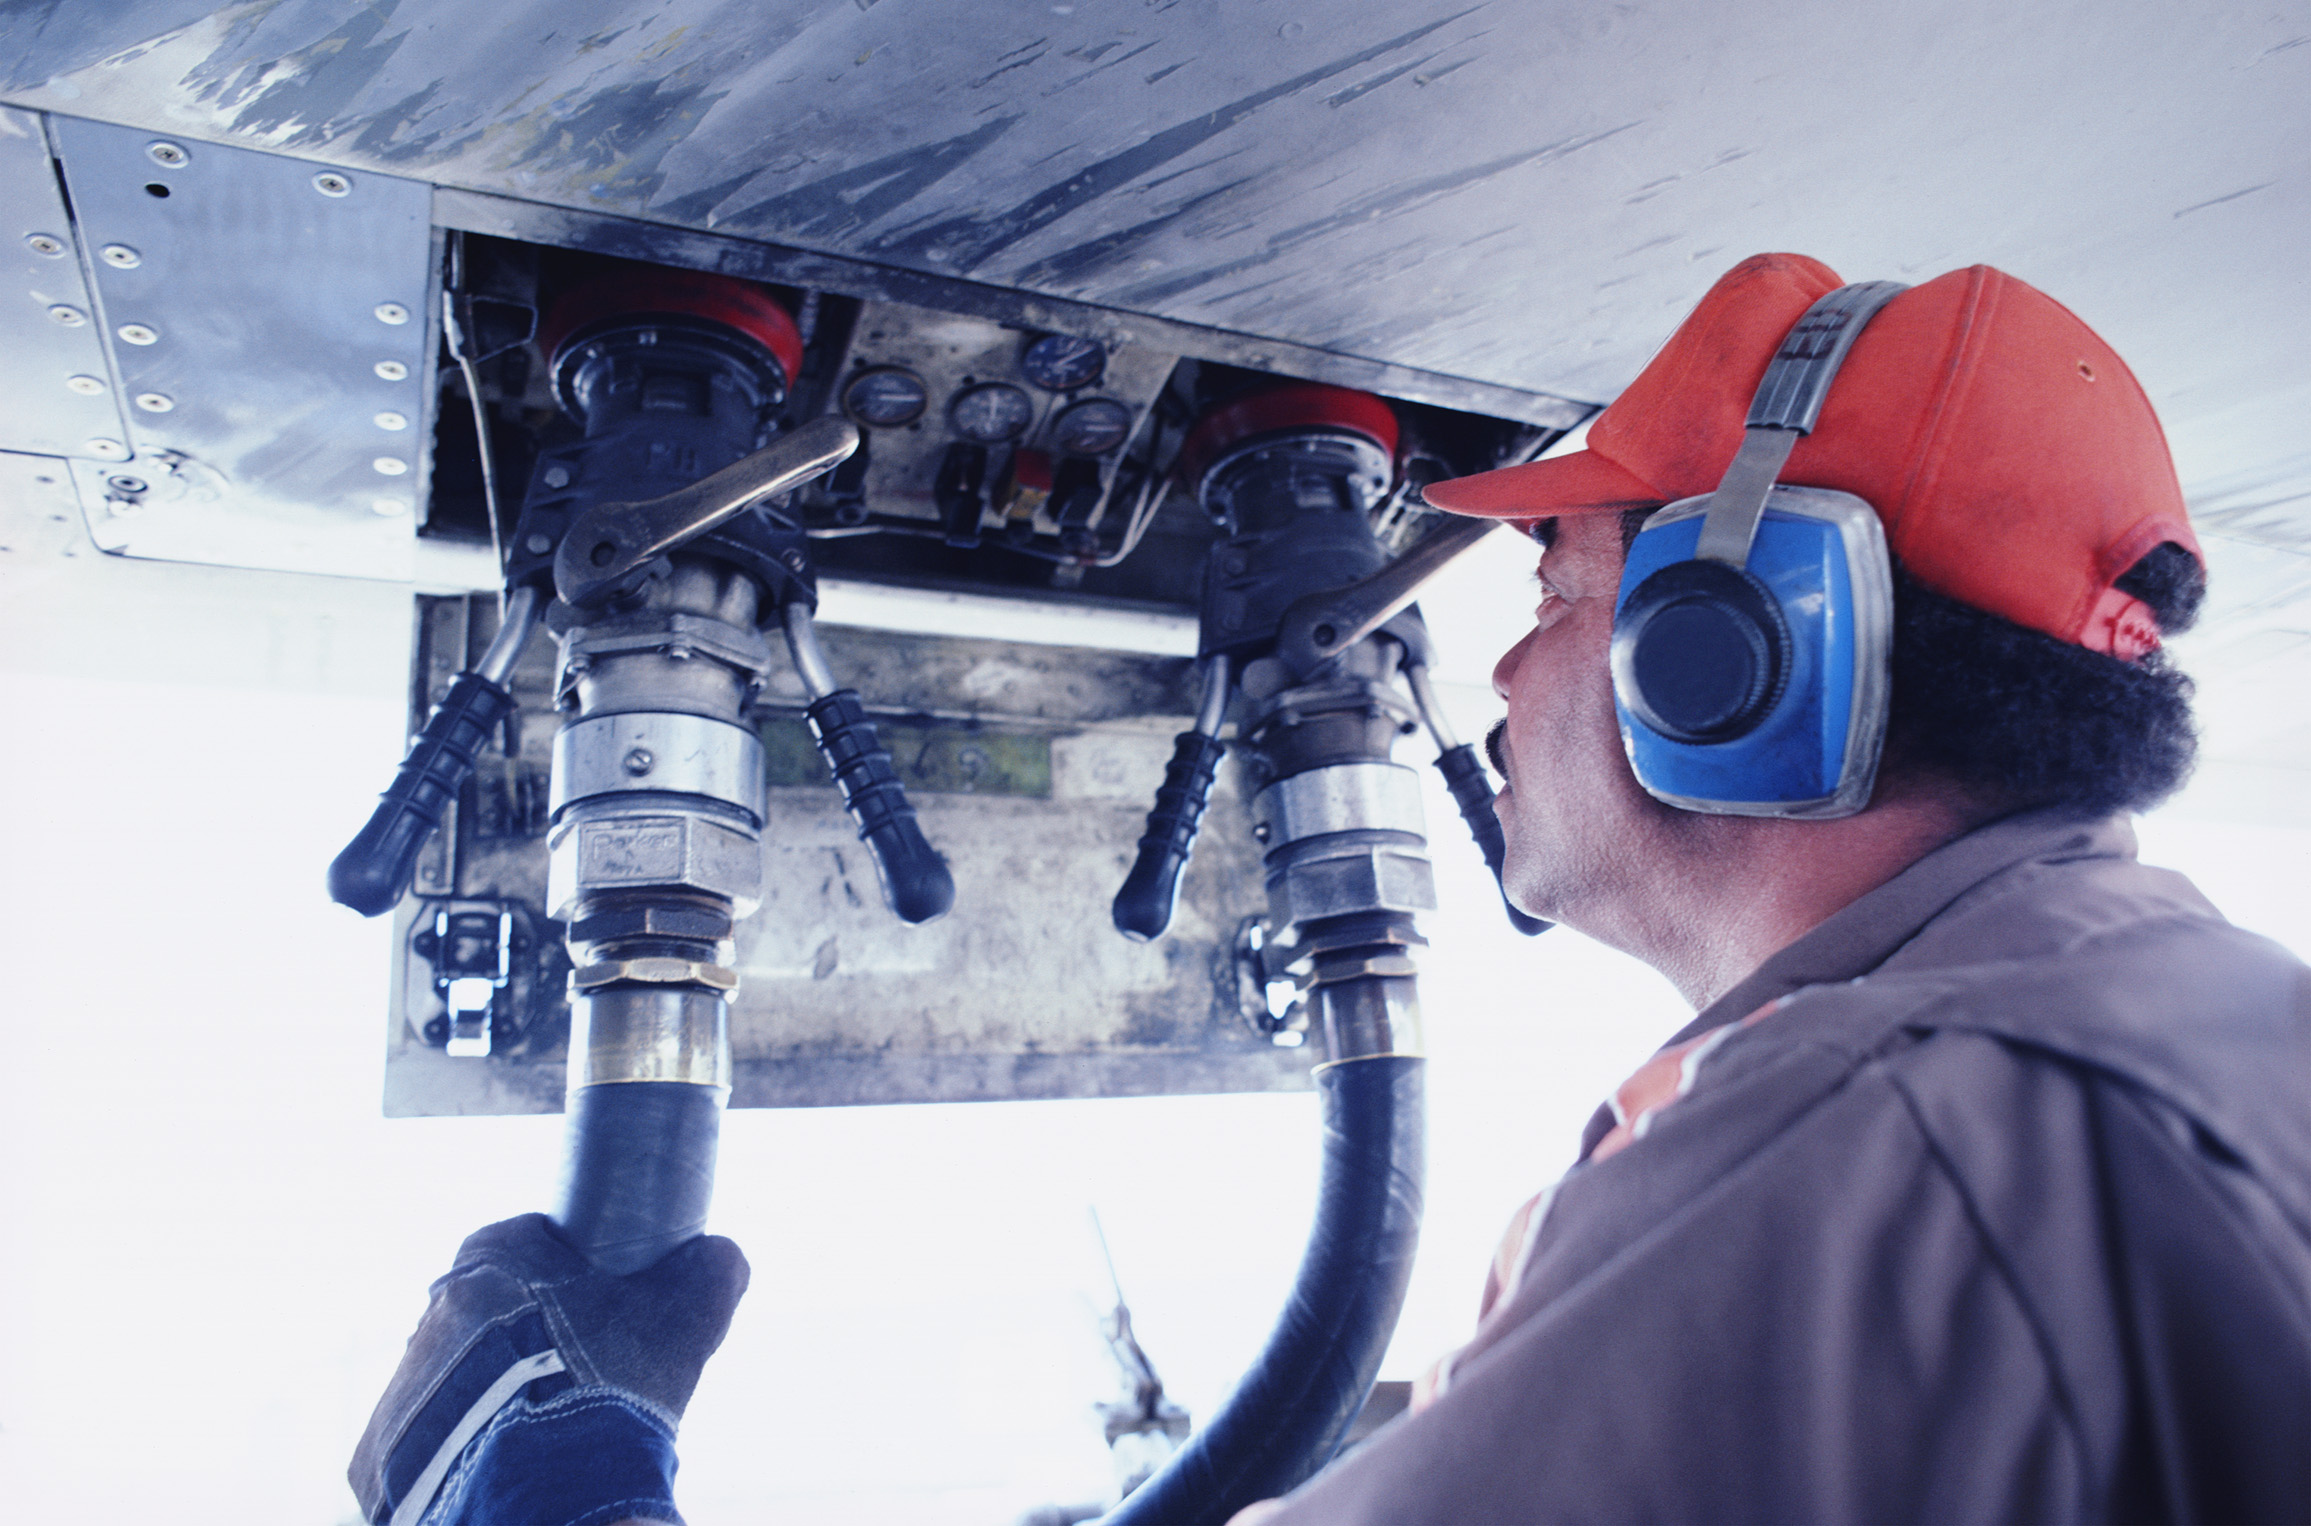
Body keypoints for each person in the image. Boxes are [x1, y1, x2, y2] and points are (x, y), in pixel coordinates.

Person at [354, 254, 2311, 1525]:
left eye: (1554, 598)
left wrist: (531, 1477)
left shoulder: (1899, 1149)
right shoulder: (2138, 1033)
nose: (1500, 674)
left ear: (1739, 655)